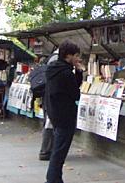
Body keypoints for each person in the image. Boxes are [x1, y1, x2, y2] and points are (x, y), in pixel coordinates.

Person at [44, 40, 83, 183]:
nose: (78, 59)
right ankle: (53, 179)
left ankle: (55, 178)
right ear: (68, 56)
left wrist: (76, 72)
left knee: (58, 148)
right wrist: (78, 73)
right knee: (60, 150)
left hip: (54, 112)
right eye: (76, 56)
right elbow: (75, 94)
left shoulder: (53, 69)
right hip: (65, 115)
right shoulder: (66, 73)